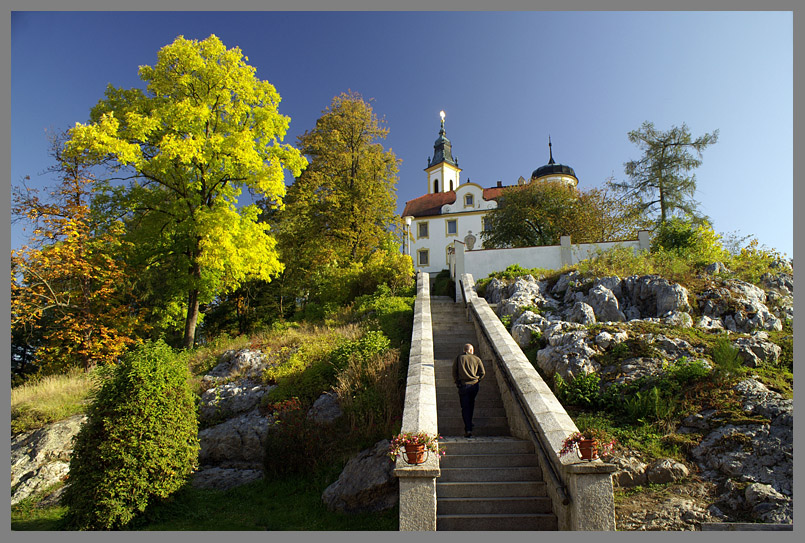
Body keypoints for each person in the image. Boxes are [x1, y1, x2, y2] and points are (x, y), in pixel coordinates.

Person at [452, 343, 485, 438]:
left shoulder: (459, 358)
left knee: (465, 407)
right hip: (474, 386)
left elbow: (454, 371)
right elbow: (483, 372)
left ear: (464, 350)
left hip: (463, 385)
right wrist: (477, 380)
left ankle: (468, 428)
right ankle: (469, 423)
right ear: (471, 350)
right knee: (471, 404)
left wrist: (457, 382)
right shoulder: (477, 359)